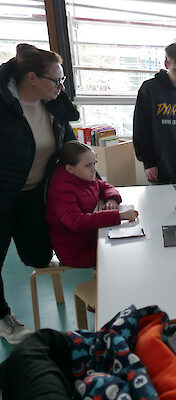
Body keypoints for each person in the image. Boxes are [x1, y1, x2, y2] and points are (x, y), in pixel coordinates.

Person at [0, 43, 79, 344]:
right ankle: (3, 317)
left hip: (32, 193)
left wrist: (97, 184)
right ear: (32, 78)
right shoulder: (5, 106)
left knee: (39, 255)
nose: (61, 87)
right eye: (56, 80)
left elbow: (72, 149)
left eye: (63, 80)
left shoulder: (53, 106)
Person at [46, 141, 139, 269]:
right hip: (76, 251)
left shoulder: (82, 176)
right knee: (126, 253)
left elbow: (104, 186)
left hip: (88, 238)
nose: (94, 169)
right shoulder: (62, 190)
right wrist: (119, 216)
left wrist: (111, 199)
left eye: (94, 163)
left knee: (129, 246)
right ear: (70, 169)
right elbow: (77, 222)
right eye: (88, 165)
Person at [133, 42, 176, 184]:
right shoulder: (149, 90)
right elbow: (141, 128)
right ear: (166, 65)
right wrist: (148, 162)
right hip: (158, 167)